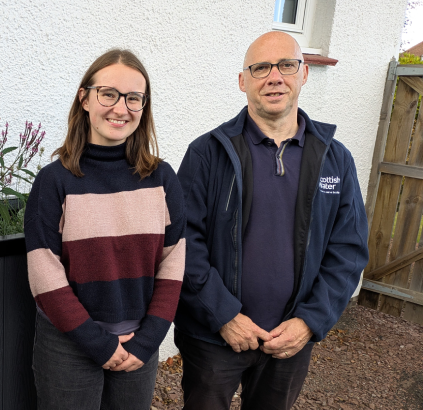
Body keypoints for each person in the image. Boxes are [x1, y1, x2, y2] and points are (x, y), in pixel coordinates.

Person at [174, 31, 369, 409]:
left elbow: (348, 250)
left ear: (304, 74)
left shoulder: (335, 159)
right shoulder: (208, 153)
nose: (274, 77)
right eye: (261, 68)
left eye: (286, 65)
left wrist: (309, 322)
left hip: (289, 340)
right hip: (215, 338)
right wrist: (223, 314)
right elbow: (182, 241)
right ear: (243, 81)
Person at [24, 49, 185, 410]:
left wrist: (148, 341)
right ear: (84, 98)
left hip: (138, 345)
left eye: (133, 98)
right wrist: (98, 343)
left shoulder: (162, 179)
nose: (120, 108)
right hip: (69, 344)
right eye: (108, 94)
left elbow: (173, 265)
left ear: (144, 107)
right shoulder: (54, 182)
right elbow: (44, 274)